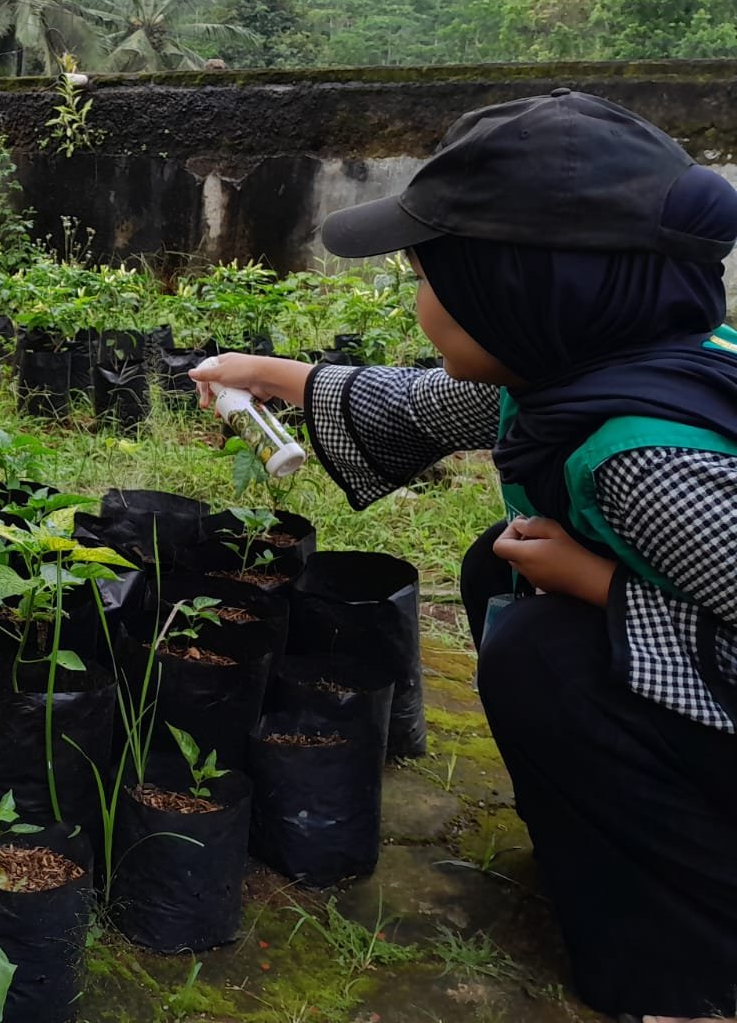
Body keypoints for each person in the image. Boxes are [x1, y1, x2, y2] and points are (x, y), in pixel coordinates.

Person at [192, 89, 737, 1023]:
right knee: (504, 565)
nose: (417, 300)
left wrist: (603, 587)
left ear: (523, 297)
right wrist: (268, 375)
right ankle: (607, 838)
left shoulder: (655, 461)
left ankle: (692, 968)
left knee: (546, 655)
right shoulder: (597, 367)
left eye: (431, 276)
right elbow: (423, 407)